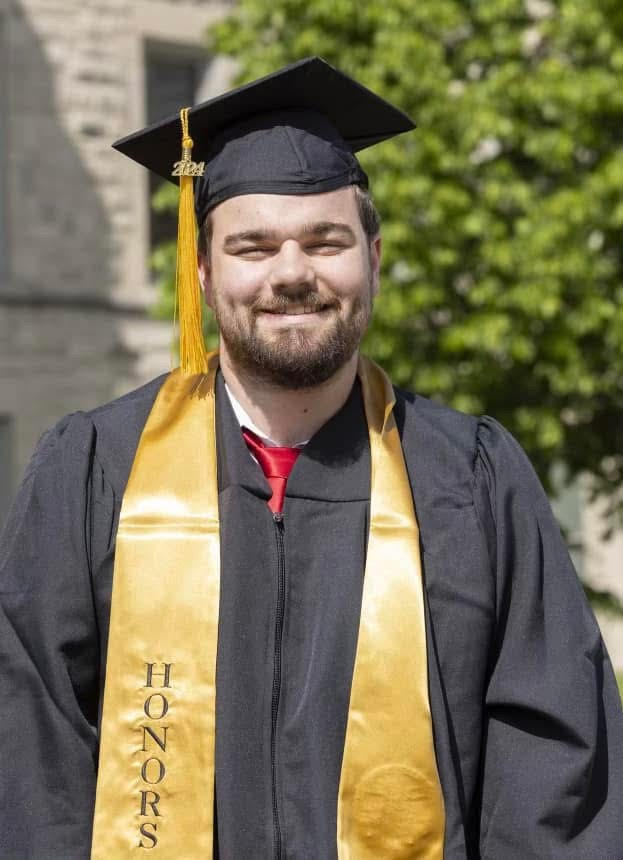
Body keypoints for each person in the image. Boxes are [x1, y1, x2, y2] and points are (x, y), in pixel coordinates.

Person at [0, 57, 621, 860]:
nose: (291, 274)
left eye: (325, 242)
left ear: (373, 256)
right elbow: (30, 753)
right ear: (202, 267)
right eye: (252, 246)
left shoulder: (471, 479)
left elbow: (554, 776)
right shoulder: (94, 471)